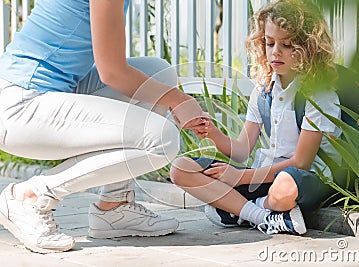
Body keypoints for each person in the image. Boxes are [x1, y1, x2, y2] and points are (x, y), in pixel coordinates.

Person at [0, 0, 206, 254]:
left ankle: (115, 206)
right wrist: (179, 100)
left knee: (158, 73)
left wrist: (173, 97)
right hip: (20, 106)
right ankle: (30, 195)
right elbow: (114, 73)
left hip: (54, 89)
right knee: (161, 140)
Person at [170, 0, 342, 236]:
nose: (276, 52)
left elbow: (301, 162)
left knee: (283, 188)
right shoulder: (263, 90)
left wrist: (240, 177)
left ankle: (242, 211)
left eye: (287, 44)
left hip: (303, 180)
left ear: (308, 47)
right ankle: (263, 216)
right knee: (181, 169)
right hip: (261, 175)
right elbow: (242, 150)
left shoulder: (318, 95)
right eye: (270, 43)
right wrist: (213, 133)